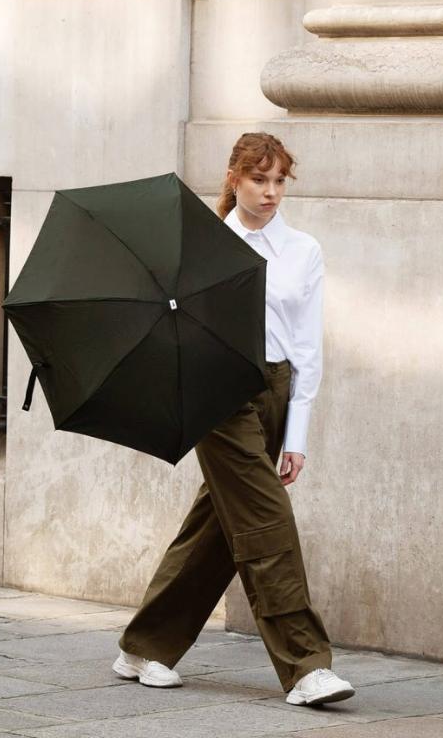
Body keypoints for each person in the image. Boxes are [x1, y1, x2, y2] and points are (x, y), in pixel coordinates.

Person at [112, 132, 355, 706]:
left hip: (276, 389)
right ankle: (305, 666)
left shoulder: (304, 250)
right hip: (218, 391)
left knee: (219, 526)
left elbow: (307, 349)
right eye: (258, 180)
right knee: (266, 521)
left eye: (278, 182)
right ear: (234, 179)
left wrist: (297, 434)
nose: (270, 193)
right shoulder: (205, 246)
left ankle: (143, 645)